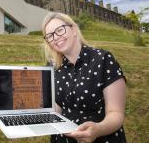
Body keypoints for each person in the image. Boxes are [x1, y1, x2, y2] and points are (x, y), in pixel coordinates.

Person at [42, 12, 126, 143]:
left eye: (60, 30)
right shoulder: (54, 67)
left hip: (102, 138)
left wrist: (98, 129)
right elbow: (56, 109)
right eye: (50, 36)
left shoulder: (102, 59)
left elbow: (116, 113)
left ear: (74, 29)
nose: (56, 37)